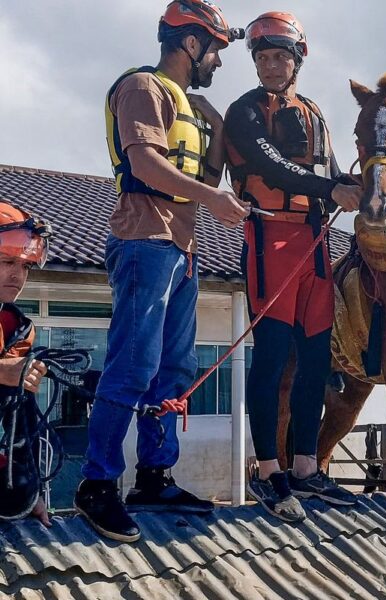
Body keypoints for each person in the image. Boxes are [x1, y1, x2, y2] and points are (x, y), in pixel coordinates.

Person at [74, 0, 249, 543]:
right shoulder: (142, 89)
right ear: (191, 43)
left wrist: (217, 128)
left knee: (172, 370)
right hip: (144, 242)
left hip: (183, 248)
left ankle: (154, 475)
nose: (218, 62)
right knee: (133, 363)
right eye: (216, 50)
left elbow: (208, 167)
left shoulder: (189, 106)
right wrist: (213, 199)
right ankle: (96, 484)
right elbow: (146, 162)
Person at [224, 12, 362, 522]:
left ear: (298, 59)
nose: (271, 66)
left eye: (281, 56)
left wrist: (366, 183)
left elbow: (328, 171)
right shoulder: (245, 111)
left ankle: (306, 469)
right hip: (272, 239)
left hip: (318, 242)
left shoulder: (314, 112)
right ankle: (267, 472)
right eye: (262, 58)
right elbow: (268, 166)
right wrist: (331, 190)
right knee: (272, 358)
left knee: (316, 359)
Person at [0, 201, 51, 527]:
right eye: (7, 262)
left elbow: (22, 421)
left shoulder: (15, 325)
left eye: (26, 266)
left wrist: (33, 492)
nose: (18, 275)